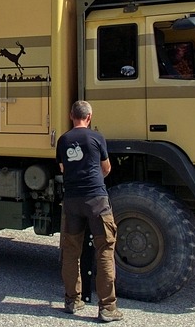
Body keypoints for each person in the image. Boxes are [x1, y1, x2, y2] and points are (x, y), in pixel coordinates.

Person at [56, 100, 123, 323]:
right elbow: (107, 168)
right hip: (96, 200)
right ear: (90, 116)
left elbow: (63, 169)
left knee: (71, 251)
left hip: (72, 201)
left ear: (70, 115)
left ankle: (72, 301)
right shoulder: (97, 137)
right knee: (104, 249)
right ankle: (107, 308)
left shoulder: (64, 140)